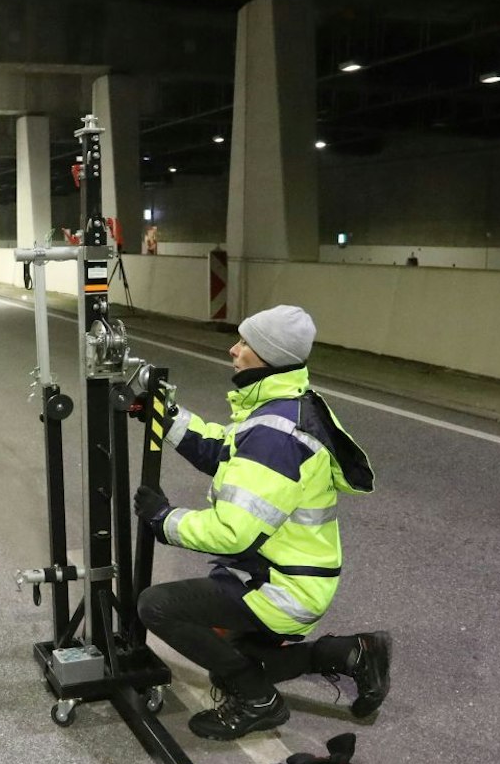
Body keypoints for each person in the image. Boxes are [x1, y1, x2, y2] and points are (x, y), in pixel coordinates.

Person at [132, 305, 391, 740]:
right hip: (285, 574)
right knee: (229, 661)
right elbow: (222, 450)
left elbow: (234, 534)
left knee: (155, 606)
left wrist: (163, 520)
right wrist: (165, 416)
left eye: (245, 344)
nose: (234, 350)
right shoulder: (282, 406)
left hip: (281, 586)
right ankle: (349, 654)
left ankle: (258, 701)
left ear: (269, 356)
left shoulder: (276, 434)